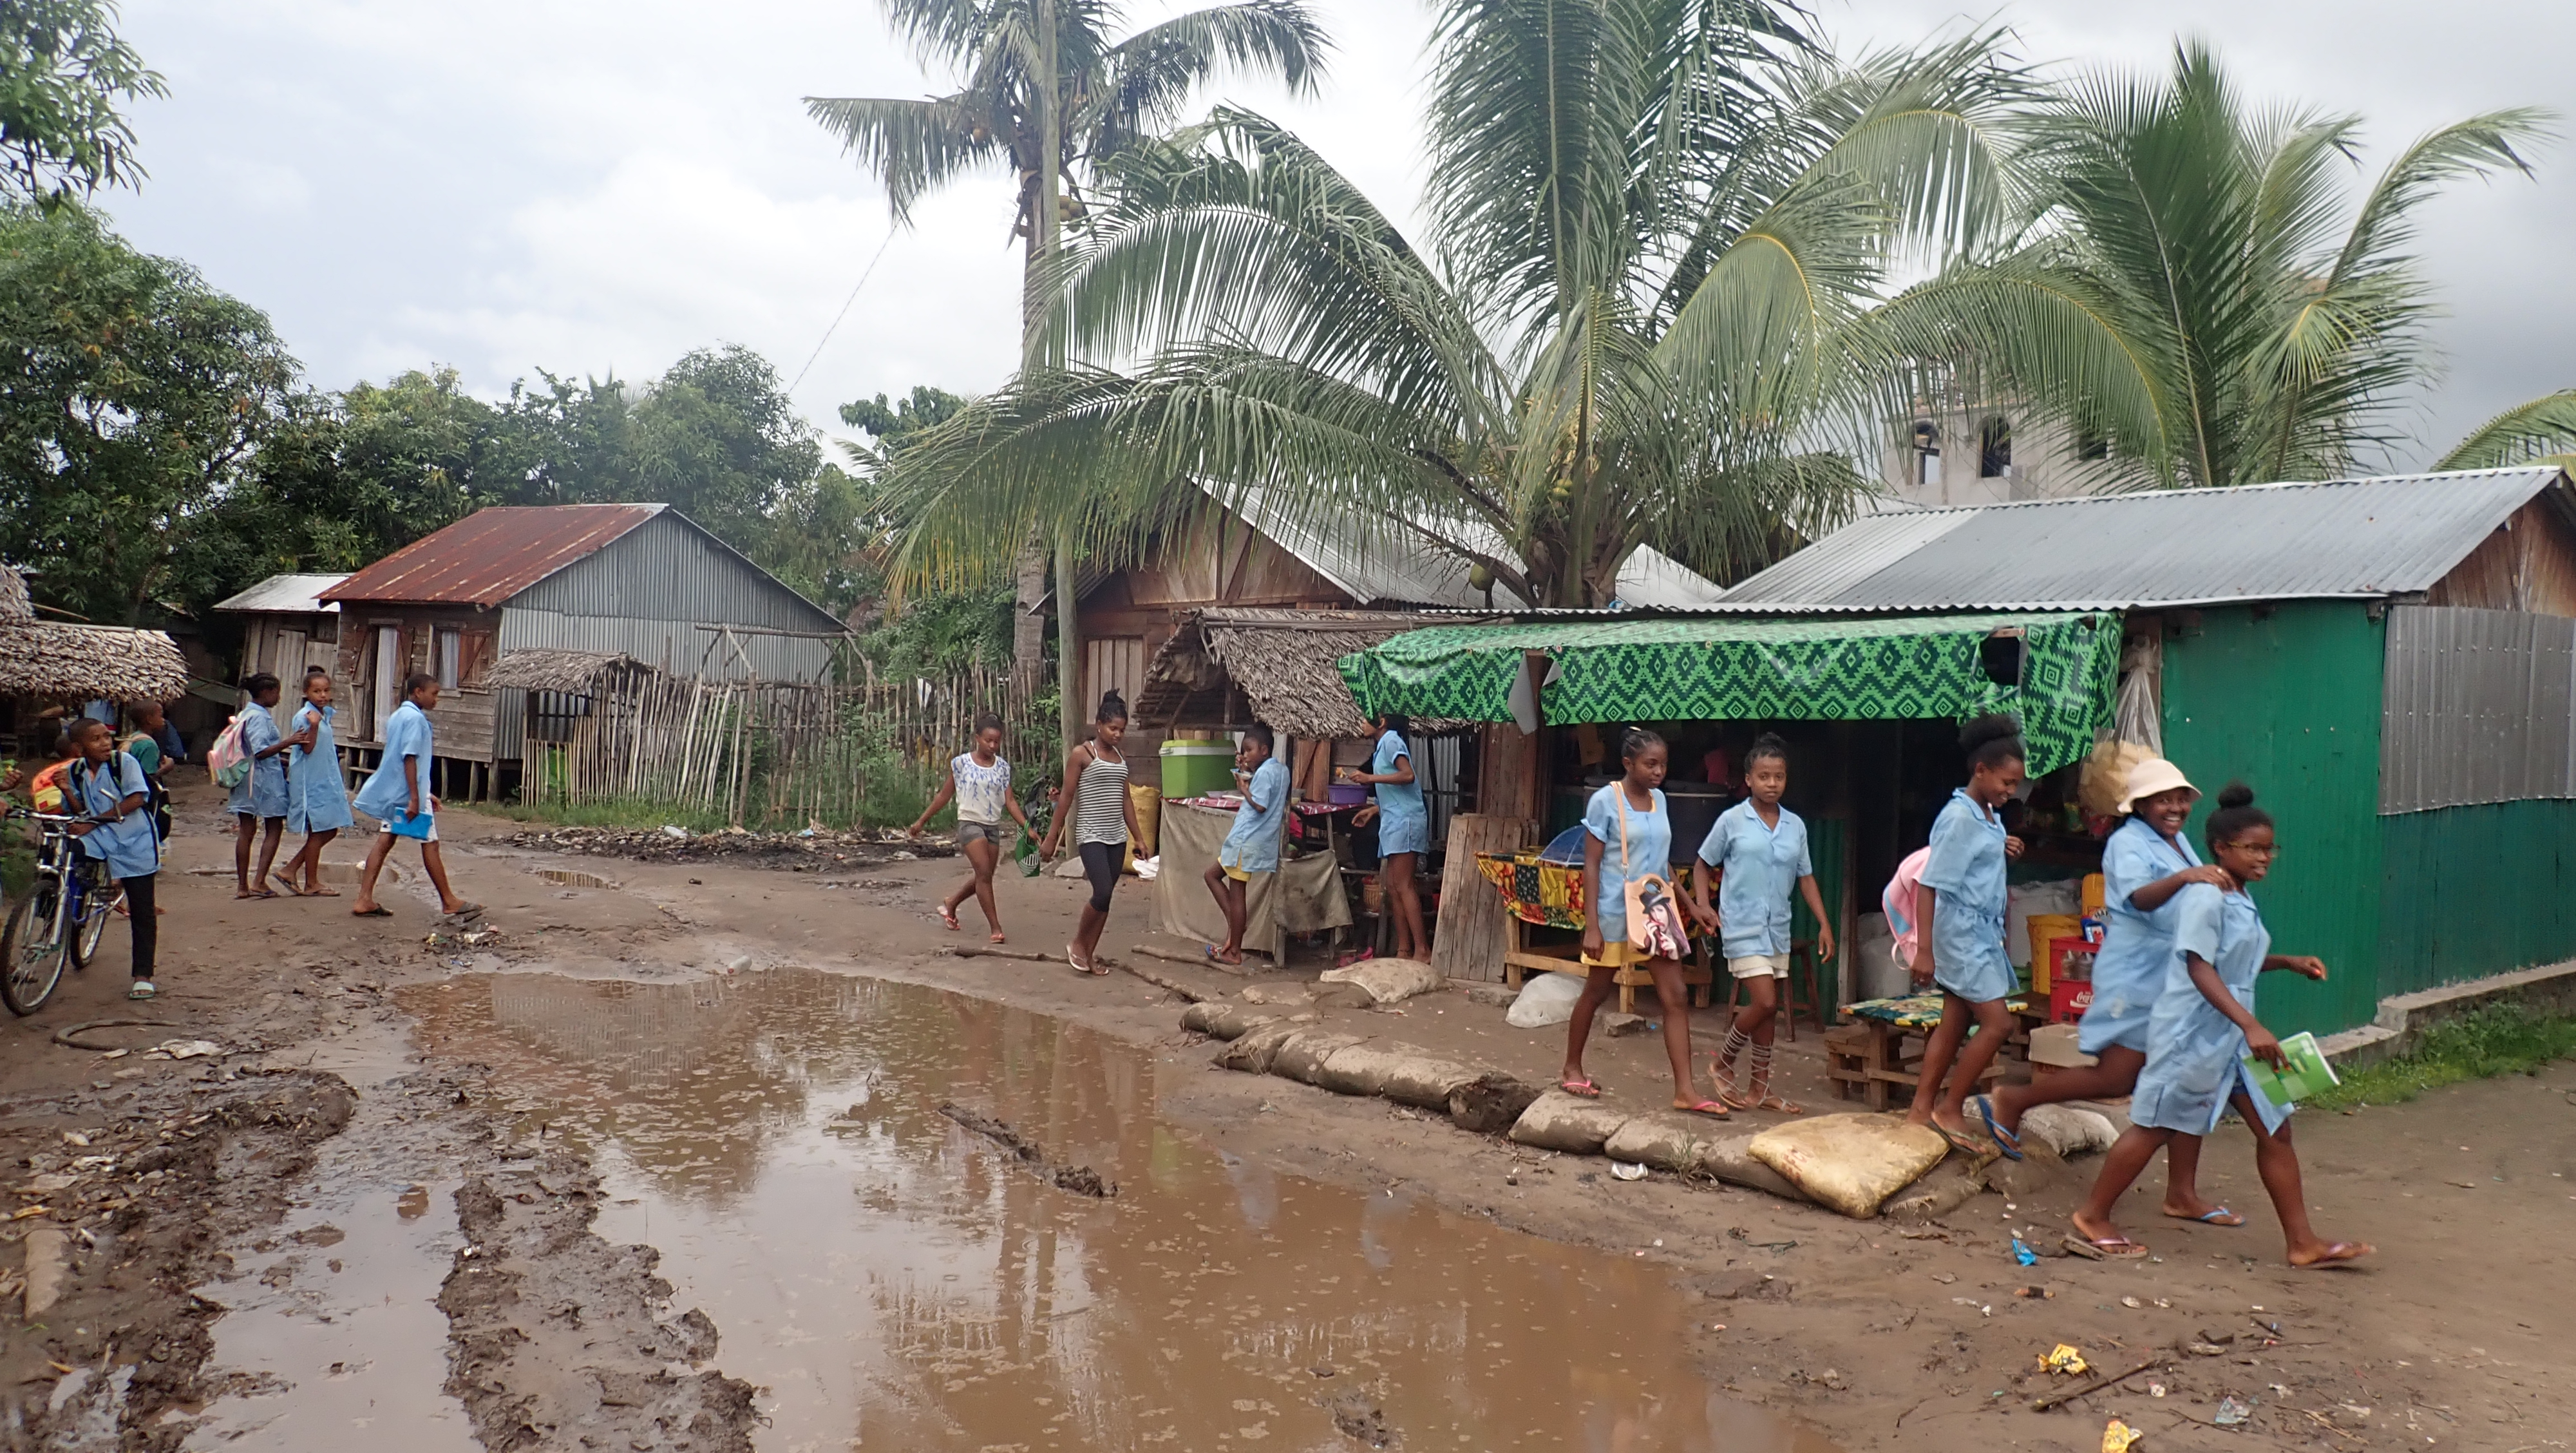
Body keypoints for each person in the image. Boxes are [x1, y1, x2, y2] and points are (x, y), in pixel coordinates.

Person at [2067, 784, 2369, 1267]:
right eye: (2253, 848)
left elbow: (2233, 961)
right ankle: (2093, 1216)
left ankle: (2302, 1242)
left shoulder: (2237, 894)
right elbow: (2198, 966)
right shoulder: (2206, 896)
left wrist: (2286, 962)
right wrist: (2252, 1026)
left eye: (2269, 847)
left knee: (2276, 1130)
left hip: (2231, 1034)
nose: (2265, 857)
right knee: (2155, 1126)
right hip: (2193, 1032)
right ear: (2222, 849)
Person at [1975, 760, 2235, 1223]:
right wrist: (2187, 878)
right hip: (2136, 977)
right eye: (2163, 799)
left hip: (2172, 976)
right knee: (2119, 1078)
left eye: (2180, 798)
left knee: (2186, 1078)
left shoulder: (2175, 841)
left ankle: (2182, 1192)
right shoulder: (2128, 842)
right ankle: (2015, 1100)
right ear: (2139, 805)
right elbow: (2140, 898)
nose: (2175, 807)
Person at [1558, 728, 1731, 1118]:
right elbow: (1591, 863)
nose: (1658, 772)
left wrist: (1690, 906)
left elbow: (1663, 865)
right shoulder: (1606, 801)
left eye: (1663, 764)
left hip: (1655, 911)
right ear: (1628, 764)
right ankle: (1572, 1066)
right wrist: (1592, 926)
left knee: (1676, 996)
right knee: (1597, 990)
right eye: (1650, 764)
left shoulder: (1661, 801)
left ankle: (1685, 1091)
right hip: (1614, 913)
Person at [1904, 714, 2029, 1152]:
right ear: (1980, 770)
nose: (2011, 792)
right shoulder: (1958, 817)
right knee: (1998, 1024)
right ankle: (1950, 1107)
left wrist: (2004, 847)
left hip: (1981, 932)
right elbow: (1929, 884)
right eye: (2007, 782)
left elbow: (1978, 861)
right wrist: (1923, 949)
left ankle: (1921, 1109)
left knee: (1955, 1022)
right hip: (1960, 933)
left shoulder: (1989, 815)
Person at [1691, 732, 1835, 1114]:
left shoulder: (1795, 827)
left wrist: (1824, 924)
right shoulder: (1732, 820)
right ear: (1749, 779)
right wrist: (1705, 905)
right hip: (1741, 924)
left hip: (1777, 928)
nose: (1772, 784)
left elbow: (1805, 877)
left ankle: (1760, 1089)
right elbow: (1703, 864)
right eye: (1764, 776)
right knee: (1766, 1001)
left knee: (1768, 1010)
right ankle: (1722, 1062)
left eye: (1779, 777)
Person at [350, 672, 477, 920]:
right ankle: (449, 900)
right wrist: (416, 798)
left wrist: (425, 793)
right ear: (418, 692)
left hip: (399, 793)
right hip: (408, 795)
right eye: (434, 694)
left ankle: (364, 898)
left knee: (386, 840)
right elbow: (409, 757)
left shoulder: (399, 716)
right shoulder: (415, 720)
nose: (436, 699)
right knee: (430, 843)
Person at [1039, 690, 1141, 975]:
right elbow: (1067, 797)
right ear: (1098, 725)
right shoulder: (1082, 755)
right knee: (1102, 891)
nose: (1118, 734)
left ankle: (1089, 954)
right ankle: (1077, 944)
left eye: (1122, 729)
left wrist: (1140, 838)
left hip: (1117, 837)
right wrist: (1051, 838)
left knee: (1107, 899)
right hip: (1091, 834)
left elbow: (1127, 800)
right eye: (1113, 728)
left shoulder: (1120, 758)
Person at [61, 718, 162, 1000]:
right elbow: (78, 807)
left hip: (133, 840)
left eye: (107, 737)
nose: (105, 743)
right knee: (67, 852)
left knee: (142, 909)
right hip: (100, 838)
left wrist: (93, 822)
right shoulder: (77, 770)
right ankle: (62, 904)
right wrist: (68, 792)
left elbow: (136, 799)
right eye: (96, 739)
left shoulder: (123, 763)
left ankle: (142, 974)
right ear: (79, 747)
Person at [910, 712, 1032, 942]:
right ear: (977, 738)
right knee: (984, 875)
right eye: (988, 740)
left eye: (997, 741)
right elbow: (944, 796)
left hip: (992, 827)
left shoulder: (1003, 768)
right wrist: (922, 821)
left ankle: (952, 903)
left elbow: (1011, 801)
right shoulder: (961, 763)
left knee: (984, 875)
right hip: (970, 824)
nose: (993, 745)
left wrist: (1027, 827)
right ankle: (996, 928)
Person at [1339, 711, 1428, 960]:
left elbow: (1408, 775)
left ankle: (1422, 950)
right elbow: (1397, 791)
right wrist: (1374, 810)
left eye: (1367, 718)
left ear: (1383, 722)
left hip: (1405, 821)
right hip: (1393, 819)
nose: (1362, 723)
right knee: (1392, 886)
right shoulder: (1382, 746)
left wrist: (1369, 778)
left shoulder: (1391, 740)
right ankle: (1403, 949)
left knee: (1404, 885)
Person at [1202, 723, 1289, 966]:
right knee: (1212, 876)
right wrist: (1246, 771)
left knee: (1235, 889)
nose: (1246, 755)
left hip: (1247, 839)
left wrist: (1243, 788)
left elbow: (1260, 805)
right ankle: (1236, 927)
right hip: (1254, 841)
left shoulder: (1264, 774)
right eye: (1243, 750)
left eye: (1249, 750)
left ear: (1264, 750)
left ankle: (1234, 949)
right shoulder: (1281, 771)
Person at [278, 669, 356, 898]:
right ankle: (310, 882)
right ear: (306, 692)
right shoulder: (305, 717)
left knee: (328, 830)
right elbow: (307, 748)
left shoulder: (323, 715)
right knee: (320, 830)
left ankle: (290, 870)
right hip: (310, 782)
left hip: (325, 779)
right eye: (317, 691)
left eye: (326, 690)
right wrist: (313, 726)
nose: (322, 695)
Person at [227, 674, 294, 900]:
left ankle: (243, 886)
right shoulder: (260, 718)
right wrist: (289, 743)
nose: (279, 697)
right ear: (267, 693)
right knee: (273, 827)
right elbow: (261, 751)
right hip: (262, 781)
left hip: (247, 778)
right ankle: (259, 881)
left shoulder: (245, 714)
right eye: (276, 692)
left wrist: (284, 759)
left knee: (247, 829)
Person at [118, 700, 184, 846]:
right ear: (149, 719)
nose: (163, 720)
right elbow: (147, 778)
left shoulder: (133, 738)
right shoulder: (148, 745)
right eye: (160, 715)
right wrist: (167, 768)